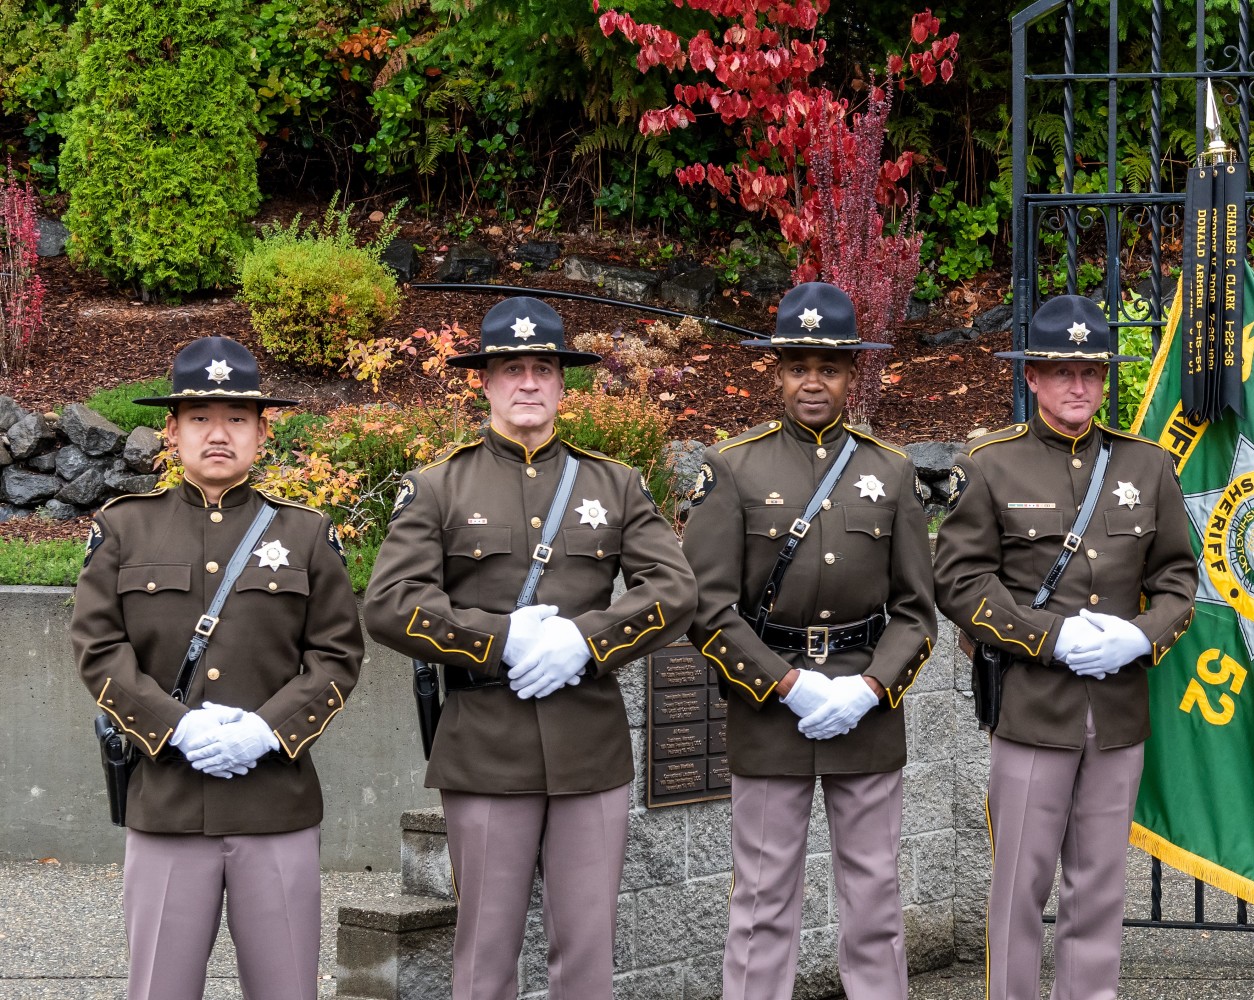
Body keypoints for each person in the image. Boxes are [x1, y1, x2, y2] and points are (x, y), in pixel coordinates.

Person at [362, 297, 695, 1000]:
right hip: (485, 745)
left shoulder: (615, 483)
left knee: (588, 954)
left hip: (589, 743)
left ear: (562, 382)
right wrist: (502, 638)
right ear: (484, 381)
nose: (528, 383)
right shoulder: (438, 485)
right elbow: (390, 605)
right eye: (511, 369)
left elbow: (675, 588)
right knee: (485, 954)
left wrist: (586, 639)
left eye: (542, 368)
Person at [75, 336, 365, 1000]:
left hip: (277, 808)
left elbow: (337, 655)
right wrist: (173, 728)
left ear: (262, 433)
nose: (218, 433)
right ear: (171, 431)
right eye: (200, 417)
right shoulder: (124, 531)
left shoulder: (305, 535)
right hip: (167, 804)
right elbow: (99, 647)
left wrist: (267, 731)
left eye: (237, 418)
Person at [933, 293, 1198, 1000]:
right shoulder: (991, 466)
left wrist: (1137, 639)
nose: (1077, 385)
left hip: (1117, 715)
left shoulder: (1146, 465)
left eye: (1090, 371)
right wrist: (1052, 639)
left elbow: (1179, 578)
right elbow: (959, 583)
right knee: (1018, 888)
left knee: (1100, 890)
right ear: (1032, 378)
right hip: (1031, 709)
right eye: (1060, 371)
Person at [681, 282, 938, 1000]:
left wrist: (870, 687)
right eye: (799, 365)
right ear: (778, 371)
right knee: (761, 904)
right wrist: (787, 684)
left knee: (876, 902)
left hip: (866, 707)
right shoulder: (733, 468)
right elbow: (708, 608)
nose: (814, 381)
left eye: (828, 366)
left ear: (853, 372)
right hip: (769, 709)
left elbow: (917, 611)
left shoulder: (890, 470)